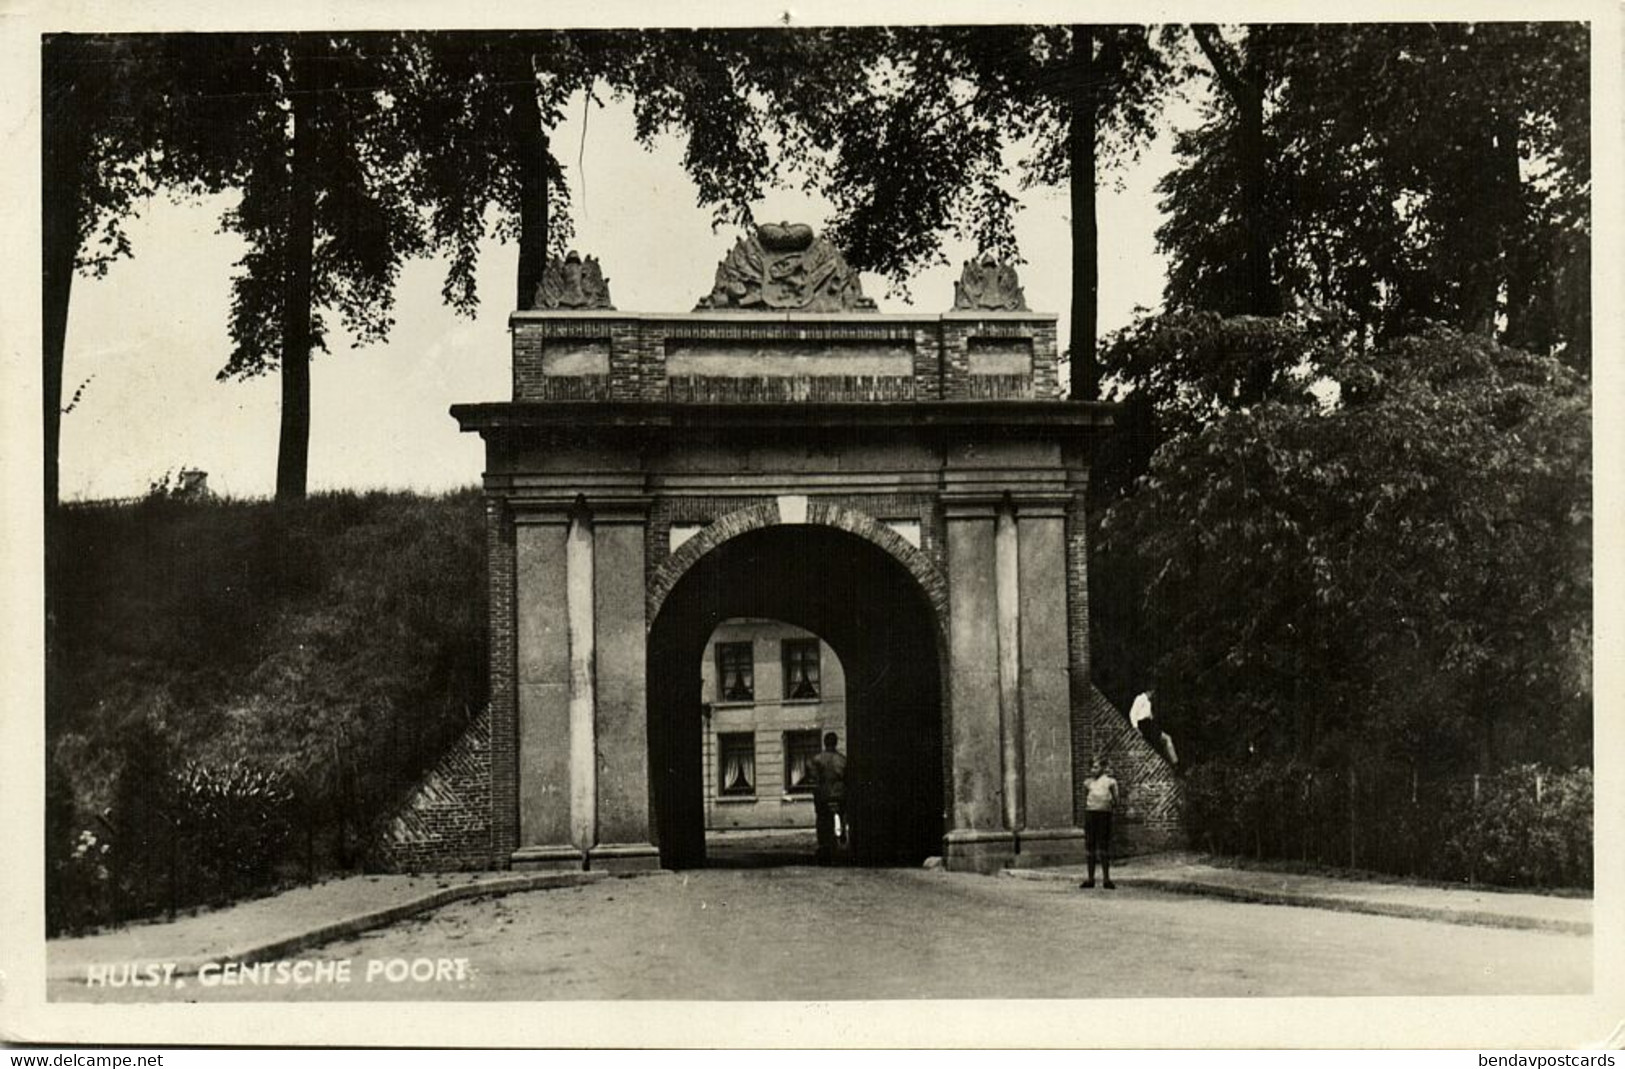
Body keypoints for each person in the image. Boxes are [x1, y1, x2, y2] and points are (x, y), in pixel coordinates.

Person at [807, 731, 847, 865]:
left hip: (823, 797)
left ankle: (823, 845)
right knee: (842, 815)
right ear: (836, 743)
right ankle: (842, 835)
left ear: (825, 742)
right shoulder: (843, 760)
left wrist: (816, 793)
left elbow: (813, 780)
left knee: (822, 821)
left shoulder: (817, 759)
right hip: (839, 795)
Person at [1080, 758, 1118, 889]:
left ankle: (1106, 879)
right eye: (1091, 767)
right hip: (1091, 814)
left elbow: (1116, 799)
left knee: (1103, 847)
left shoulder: (1110, 782)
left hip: (1104, 815)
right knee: (1090, 846)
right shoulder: (1087, 783)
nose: (1093, 770)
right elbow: (1085, 799)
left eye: (1096, 767)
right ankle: (1090, 879)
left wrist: (1110, 809)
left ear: (1102, 768)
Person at [1130, 689, 1179, 768]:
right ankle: (1175, 764)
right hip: (1144, 724)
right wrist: (1136, 728)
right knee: (1165, 739)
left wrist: (1151, 718)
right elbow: (1132, 713)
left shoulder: (1148, 702)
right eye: (1153, 693)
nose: (1154, 695)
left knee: (1166, 740)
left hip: (1149, 723)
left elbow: (1148, 715)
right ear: (1150, 691)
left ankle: (1174, 763)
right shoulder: (1140, 698)